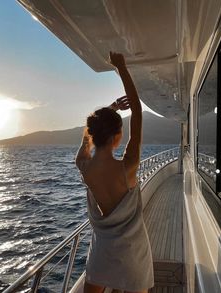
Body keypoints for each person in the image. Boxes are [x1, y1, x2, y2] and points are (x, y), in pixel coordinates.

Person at [76, 52, 154, 293]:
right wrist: (121, 66)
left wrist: (110, 109)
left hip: (102, 252)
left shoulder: (84, 167)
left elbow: (86, 138)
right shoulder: (127, 167)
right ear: (117, 136)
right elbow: (138, 113)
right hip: (132, 254)